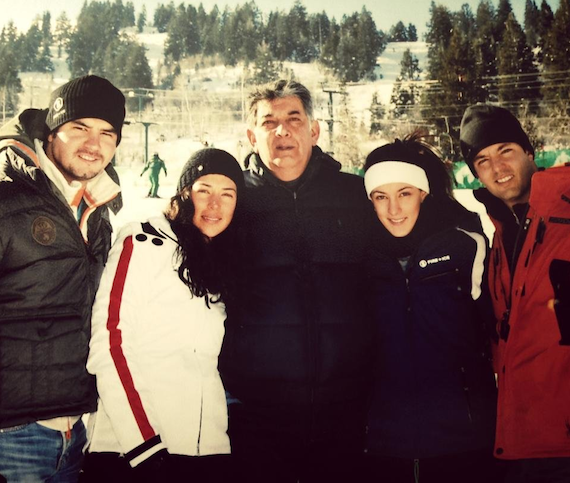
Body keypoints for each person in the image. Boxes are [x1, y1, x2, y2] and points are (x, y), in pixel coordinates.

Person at [218, 79, 375, 483]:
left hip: (347, 409)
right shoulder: (231, 203)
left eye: (293, 119)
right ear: (253, 136)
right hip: (257, 413)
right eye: (269, 123)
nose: (283, 131)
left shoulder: (354, 195)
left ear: (314, 129)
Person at [83, 148, 244, 482]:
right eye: (204, 191)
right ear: (184, 194)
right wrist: (145, 448)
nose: (215, 205)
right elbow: (111, 343)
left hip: (204, 451)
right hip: (133, 452)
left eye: (227, 194)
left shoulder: (221, 260)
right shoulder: (143, 240)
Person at [0, 75, 125, 481]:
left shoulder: (99, 209)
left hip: (73, 432)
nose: (94, 143)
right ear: (52, 131)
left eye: (107, 133)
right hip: (11, 435)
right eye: (79, 128)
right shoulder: (7, 197)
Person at [361, 134, 502, 483]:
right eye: (381, 197)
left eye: (404, 193)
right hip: (384, 442)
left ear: (424, 193)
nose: (393, 210)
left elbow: (494, 329)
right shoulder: (360, 258)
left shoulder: (466, 246)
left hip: (463, 439)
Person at [459, 104, 570, 482]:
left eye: (506, 150)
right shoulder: (499, 238)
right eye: (482, 160)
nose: (497, 167)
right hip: (519, 443)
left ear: (530, 152)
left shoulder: (565, 216)